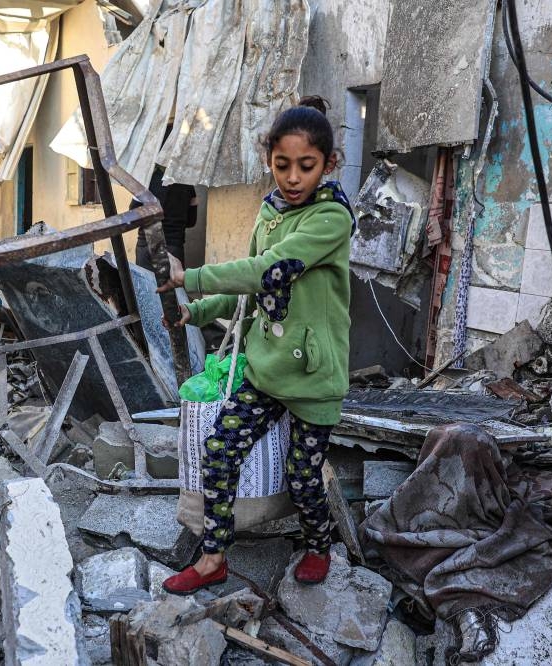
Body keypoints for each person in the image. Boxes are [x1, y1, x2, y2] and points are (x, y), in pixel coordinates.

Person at [157, 97, 355, 593]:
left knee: (304, 476)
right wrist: (197, 309)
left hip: (313, 376)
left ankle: (318, 543)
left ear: (327, 165)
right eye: (282, 165)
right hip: (265, 368)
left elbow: (270, 270)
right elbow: (249, 288)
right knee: (219, 450)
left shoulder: (330, 220)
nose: (292, 178)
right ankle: (212, 557)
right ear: (269, 160)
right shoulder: (269, 212)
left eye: (305, 167)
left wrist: (192, 275)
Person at [131, 165, 198, 271]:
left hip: (146, 246)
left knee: (145, 286)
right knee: (171, 286)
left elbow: (133, 215)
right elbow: (191, 221)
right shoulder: (188, 186)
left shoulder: (146, 181)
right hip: (173, 248)